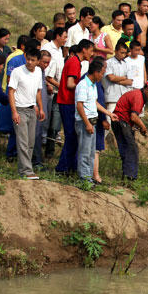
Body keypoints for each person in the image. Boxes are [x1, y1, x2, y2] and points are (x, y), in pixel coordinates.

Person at [75, 59, 117, 183]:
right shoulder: (83, 85)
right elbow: (79, 105)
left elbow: (94, 102)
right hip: (85, 122)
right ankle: (84, 179)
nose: (102, 76)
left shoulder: (93, 85)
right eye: (102, 73)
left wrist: (109, 113)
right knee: (85, 152)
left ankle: (88, 177)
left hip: (92, 121)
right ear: (96, 72)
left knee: (91, 152)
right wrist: (87, 123)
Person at [56, 39, 94, 174]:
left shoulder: (75, 62)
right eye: (91, 50)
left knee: (72, 136)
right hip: (66, 102)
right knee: (71, 136)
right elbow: (69, 83)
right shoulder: (74, 62)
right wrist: (83, 86)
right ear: (84, 49)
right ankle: (63, 168)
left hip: (67, 102)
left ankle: (69, 166)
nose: (91, 53)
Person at [112, 78, 148, 180]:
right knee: (132, 149)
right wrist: (143, 127)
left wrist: (136, 126)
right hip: (121, 122)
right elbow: (134, 117)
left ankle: (126, 176)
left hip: (119, 122)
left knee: (126, 149)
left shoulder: (138, 94)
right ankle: (130, 177)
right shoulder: (139, 97)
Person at [0, 37, 40, 162]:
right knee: (14, 129)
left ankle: (22, 157)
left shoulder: (36, 68)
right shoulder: (16, 60)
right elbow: (10, 82)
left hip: (29, 103)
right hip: (17, 101)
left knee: (27, 135)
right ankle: (11, 154)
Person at [8, 48, 45, 179]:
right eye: (28, 59)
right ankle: (26, 170)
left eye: (33, 60)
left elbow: (38, 92)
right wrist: (14, 112)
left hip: (32, 109)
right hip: (20, 109)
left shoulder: (39, 72)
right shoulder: (17, 72)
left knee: (30, 142)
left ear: (38, 61)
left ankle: (24, 168)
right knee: (22, 141)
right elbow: (11, 91)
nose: (29, 62)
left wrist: (40, 108)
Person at [42, 27, 67, 157]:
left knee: (53, 122)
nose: (66, 39)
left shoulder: (59, 50)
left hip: (56, 90)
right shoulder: (48, 49)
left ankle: (48, 149)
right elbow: (45, 73)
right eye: (64, 36)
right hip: (48, 88)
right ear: (57, 36)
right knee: (46, 120)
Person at [103, 42, 133, 130]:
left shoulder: (126, 64)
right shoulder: (108, 63)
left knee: (122, 122)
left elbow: (130, 81)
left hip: (123, 96)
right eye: (121, 52)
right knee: (109, 120)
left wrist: (117, 80)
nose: (123, 55)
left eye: (125, 53)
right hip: (112, 96)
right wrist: (123, 78)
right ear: (116, 51)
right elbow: (111, 78)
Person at [31, 50, 51, 170]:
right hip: (35, 109)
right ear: (38, 61)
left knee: (38, 135)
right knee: (35, 135)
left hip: (41, 110)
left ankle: (37, 160)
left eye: (48, 63)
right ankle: (36, 162)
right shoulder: (35, 72)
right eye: (44, 62)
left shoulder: (42, 72)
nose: (46, 65)